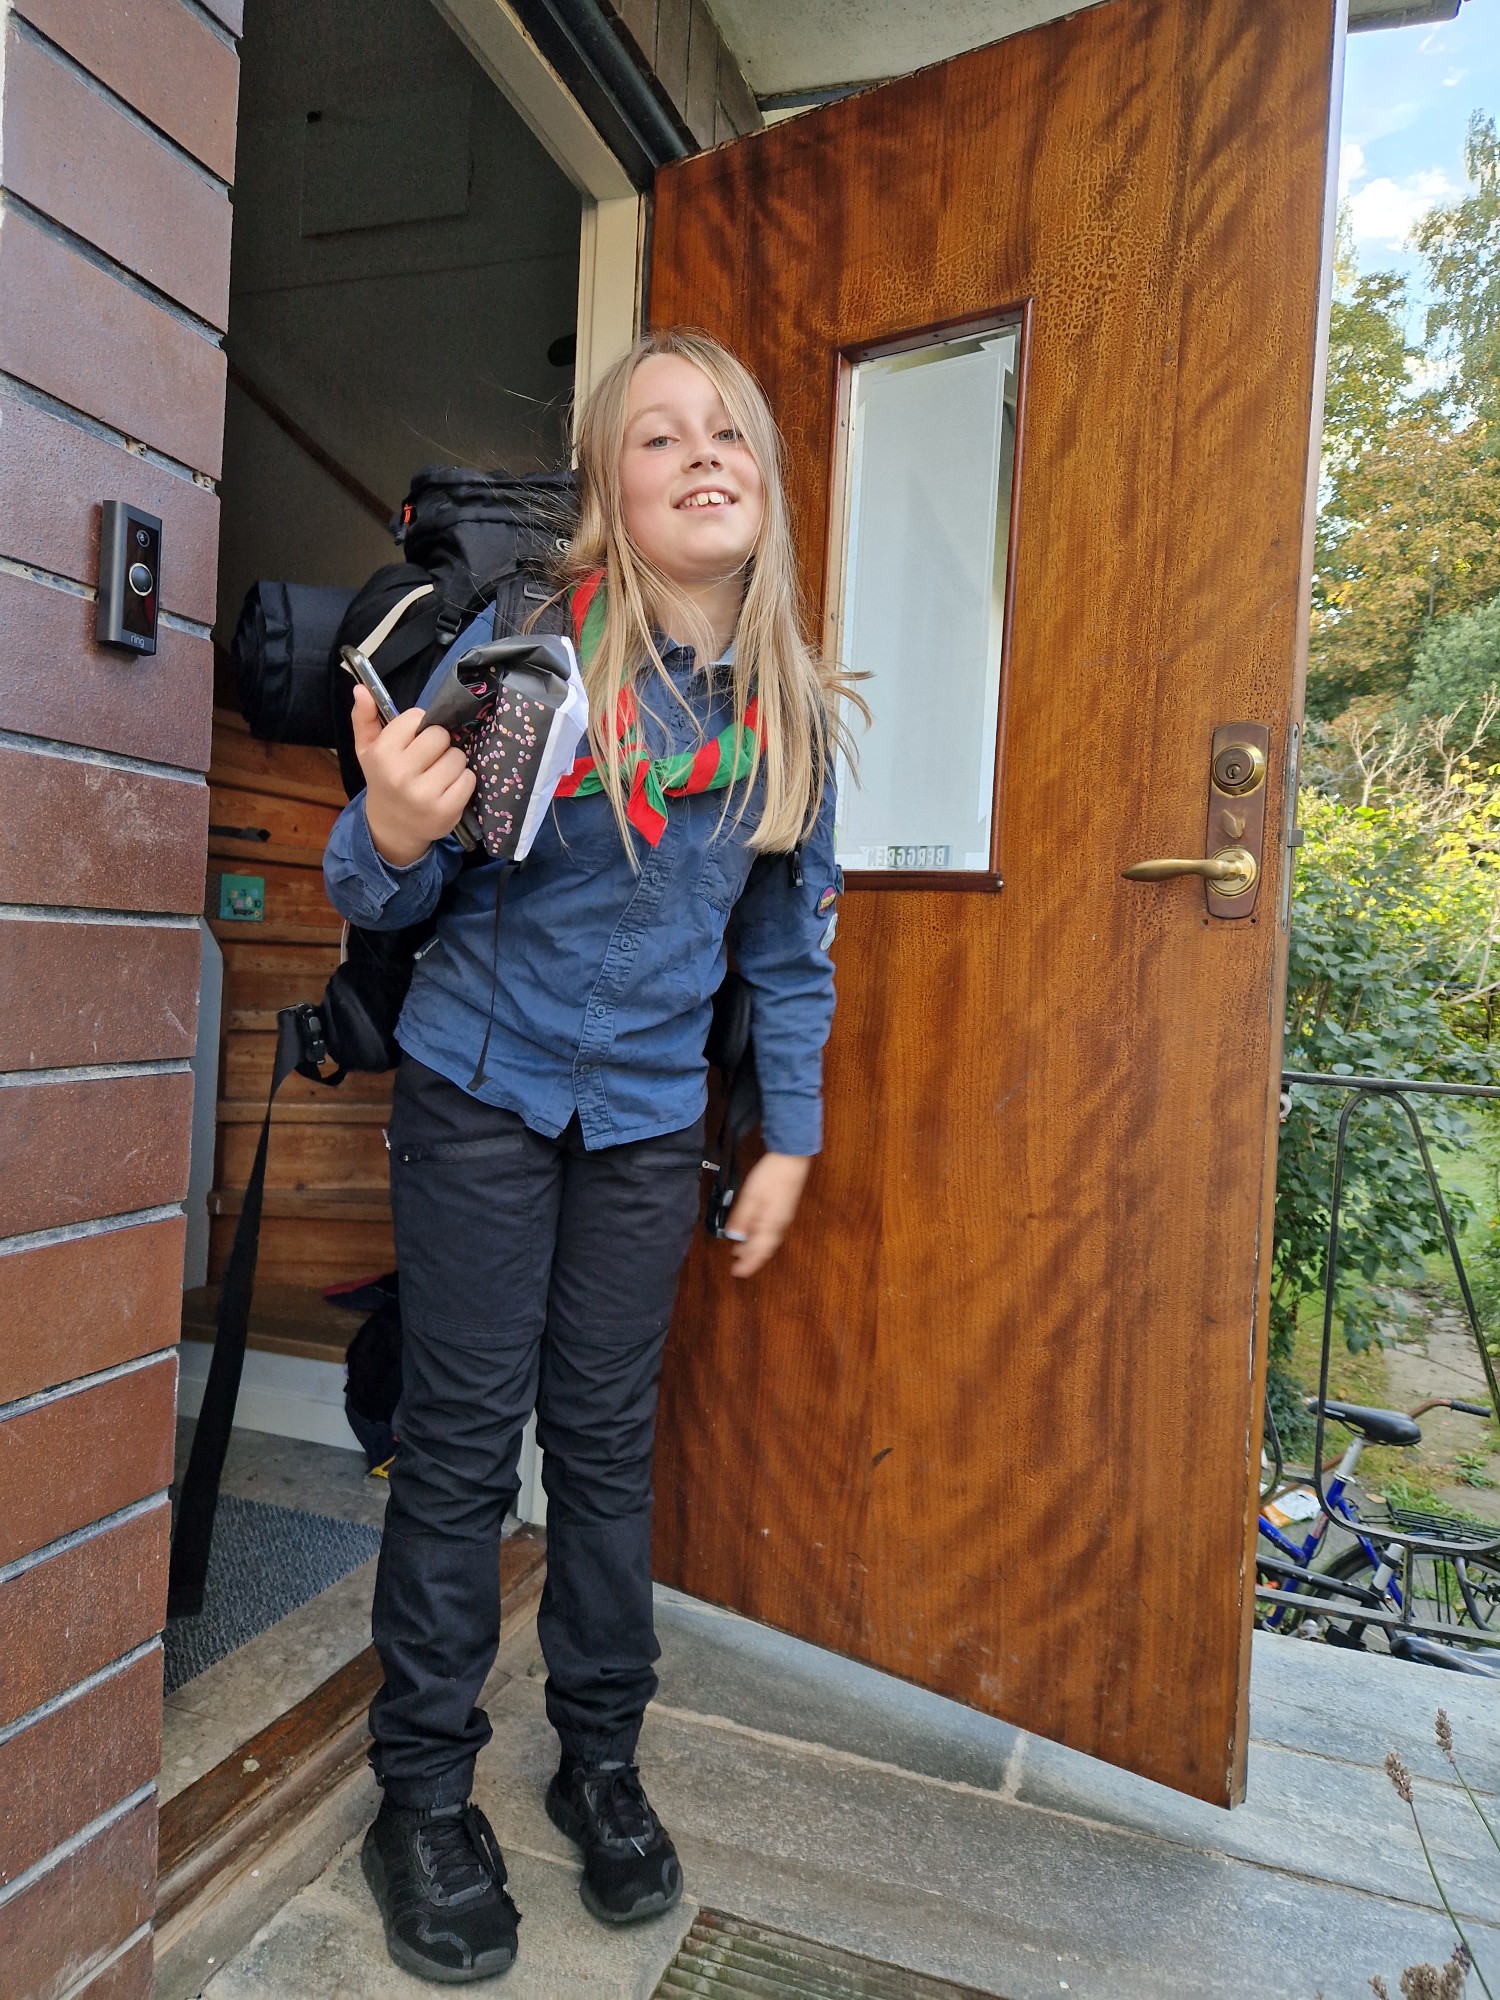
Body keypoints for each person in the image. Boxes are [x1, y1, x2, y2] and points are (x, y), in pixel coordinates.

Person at [322, 328, 856, 1985]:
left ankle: (601, 1761)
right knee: (464, 1451)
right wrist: (388, 828)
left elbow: (787, 957)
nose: (702, 456)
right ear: (609, 497)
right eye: (659, 437)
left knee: (609, 1452)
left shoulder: (786, 717)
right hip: (479, 1092)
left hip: (642, 1125)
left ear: (765, 484)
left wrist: (788, 1138)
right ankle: (421, 1796)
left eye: (728, 434)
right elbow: (390, 881)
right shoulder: (526, 663)